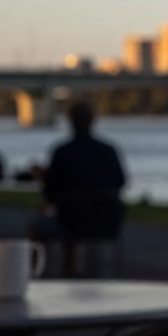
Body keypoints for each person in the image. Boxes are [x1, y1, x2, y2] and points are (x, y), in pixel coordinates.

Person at [33, 101, 126, 243]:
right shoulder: (108, 151)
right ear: (93, 121)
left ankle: (43, 264)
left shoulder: (62, 152)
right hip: (106, 224)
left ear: (70, 121)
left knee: (37, 225)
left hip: (70, 222)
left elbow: (50, 192)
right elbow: (121, 182)